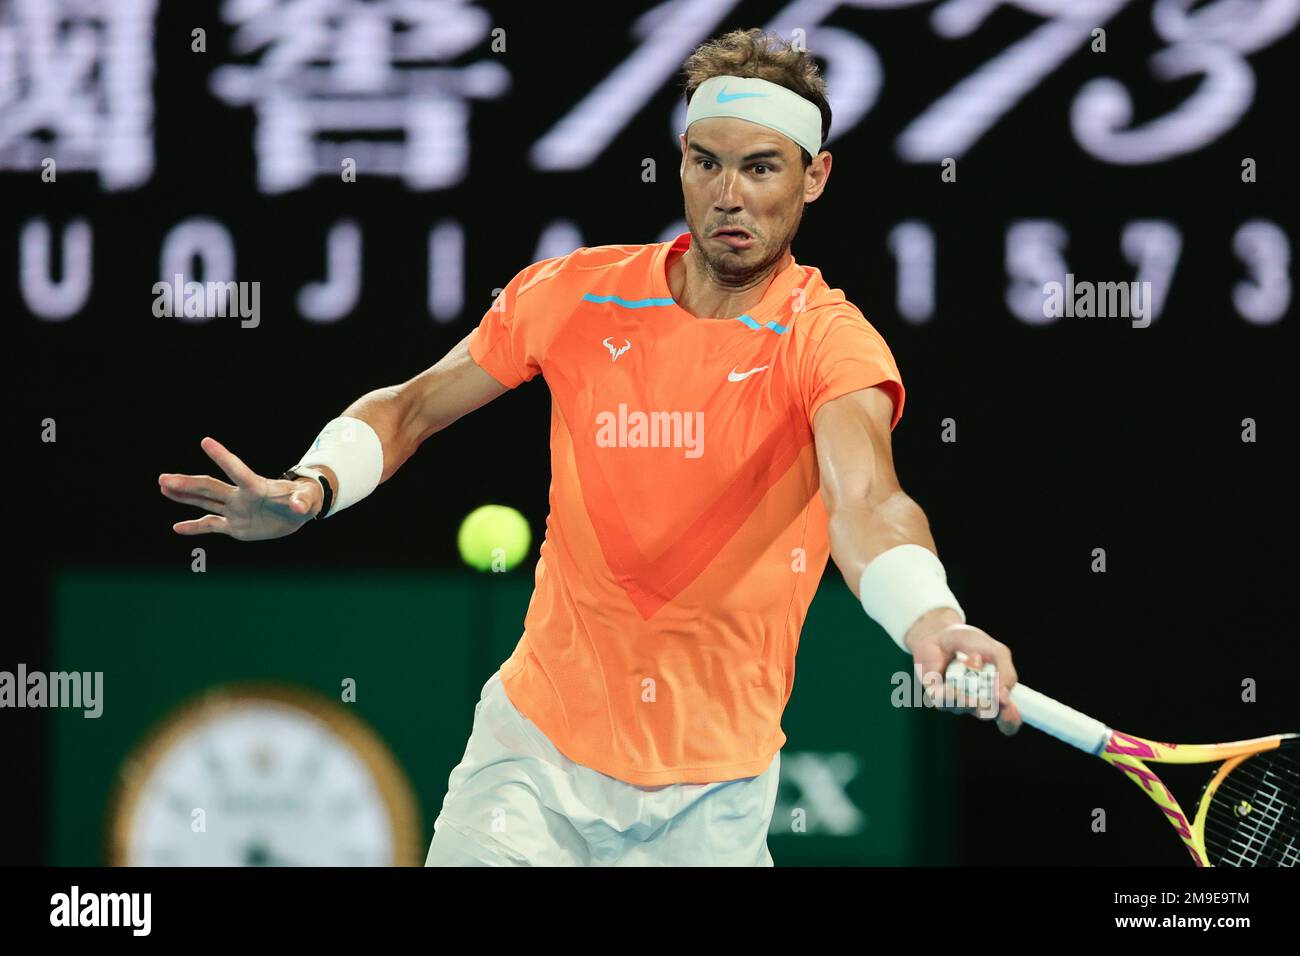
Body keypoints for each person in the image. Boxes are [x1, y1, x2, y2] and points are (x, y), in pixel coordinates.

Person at [158, 28, 1022, 867]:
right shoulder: (575, 297)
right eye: (706, 162)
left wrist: (933, 618)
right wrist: (313, 487)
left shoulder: (831, 345)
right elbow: (411, 407)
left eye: (761, 168)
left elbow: (868, 505)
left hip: (713, 803)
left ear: (815, 177)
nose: (729, 195)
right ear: (681, 160)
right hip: (531, 763)